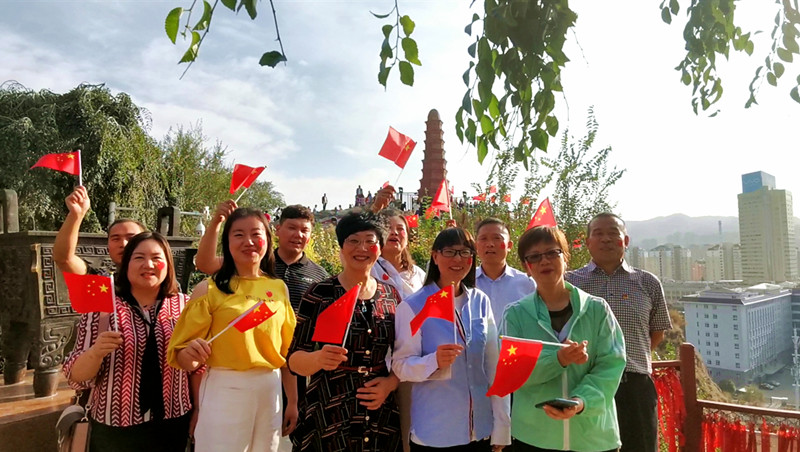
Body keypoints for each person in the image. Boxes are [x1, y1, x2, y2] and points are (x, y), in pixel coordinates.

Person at [168, 208, 297, 452]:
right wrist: (192, 354)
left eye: (256, 234)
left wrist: (293, 400)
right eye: (238, 235)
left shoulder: (279, 288)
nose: (248, 241)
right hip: (226, 388)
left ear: (268, 240)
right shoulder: (209, 289)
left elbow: (286, 351)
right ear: (227, 243)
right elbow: (183, 358)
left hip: (270, 389)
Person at [63, 232, 196, 452]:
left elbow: (196, 370)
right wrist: (95, 353)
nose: (148, 264)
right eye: (139, 257)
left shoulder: (185, 306)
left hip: (173, 420)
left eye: (156, 258)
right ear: (126, 264)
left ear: (168, 264)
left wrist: (198, 408)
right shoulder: (102, 304)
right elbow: (76, 378)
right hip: (115, 425)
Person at [503, 226, 626, 452]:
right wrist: (558, 359)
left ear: (565, 258)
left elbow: (611, 366)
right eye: (534, 257)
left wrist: (581, 402)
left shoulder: (597, 309)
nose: (544, 261)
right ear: (526, 267)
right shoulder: (516, 314)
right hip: (534, 436)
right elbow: (514, 372)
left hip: (593, 438)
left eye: (552, 253)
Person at [287, 212, 402, 451]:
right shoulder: (320, 293)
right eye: (353, 241)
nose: (362, 248)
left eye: (370, 241)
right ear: (341, 246)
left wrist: (390, 383)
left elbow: (404, 353)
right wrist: (318, 359)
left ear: (380, 248)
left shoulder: (391, 295)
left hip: (379, 408)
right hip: (330, 408)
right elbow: (294, 360)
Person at [393, 227, 510, 452]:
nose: (458, 259)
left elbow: (494, 367)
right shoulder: (413, 306)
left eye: (465, 252)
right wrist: (433, 361)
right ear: (435, 256)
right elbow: (400, 366)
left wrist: (501, 427)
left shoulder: (480, 301)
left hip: (479, 430)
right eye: (449, 252)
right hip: (435, 432)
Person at [565, 213, 671, 452]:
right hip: (584, 385)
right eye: (598, 234)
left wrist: (625, 358)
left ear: (626, 240)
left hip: (634, 384)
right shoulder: (571, 282)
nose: (606, 239)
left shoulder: (648, 282)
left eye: (613, 233)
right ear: (588, 241)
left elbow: (657, 332)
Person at [195, 202, 328, 311]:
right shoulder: (254, 261)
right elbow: (206, 264)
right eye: (292, 228)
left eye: (304, 230)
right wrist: (216, 222)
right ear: (277, 230)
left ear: (310, 237)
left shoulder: (320, 276)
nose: (298, 235)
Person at [372, 208, 426, 452]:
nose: (394, 233)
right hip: (378, 362)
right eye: (388, 228)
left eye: (400, 229)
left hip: (413, 362)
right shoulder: (370, 268)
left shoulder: (420, 275)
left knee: (411, 432)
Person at [54, 185, 146, 276]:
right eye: (116, 239)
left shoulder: (155, 281)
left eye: (131, 238)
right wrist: (76, 214)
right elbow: (64, 259)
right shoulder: (102, 281)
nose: (123, 244)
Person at [474, 218, 536, 321]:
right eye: (483, 239)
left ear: (509, 245)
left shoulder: (527, 283)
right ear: (476, 245)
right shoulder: (465, 282)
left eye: (497, 238)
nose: (490, 244)